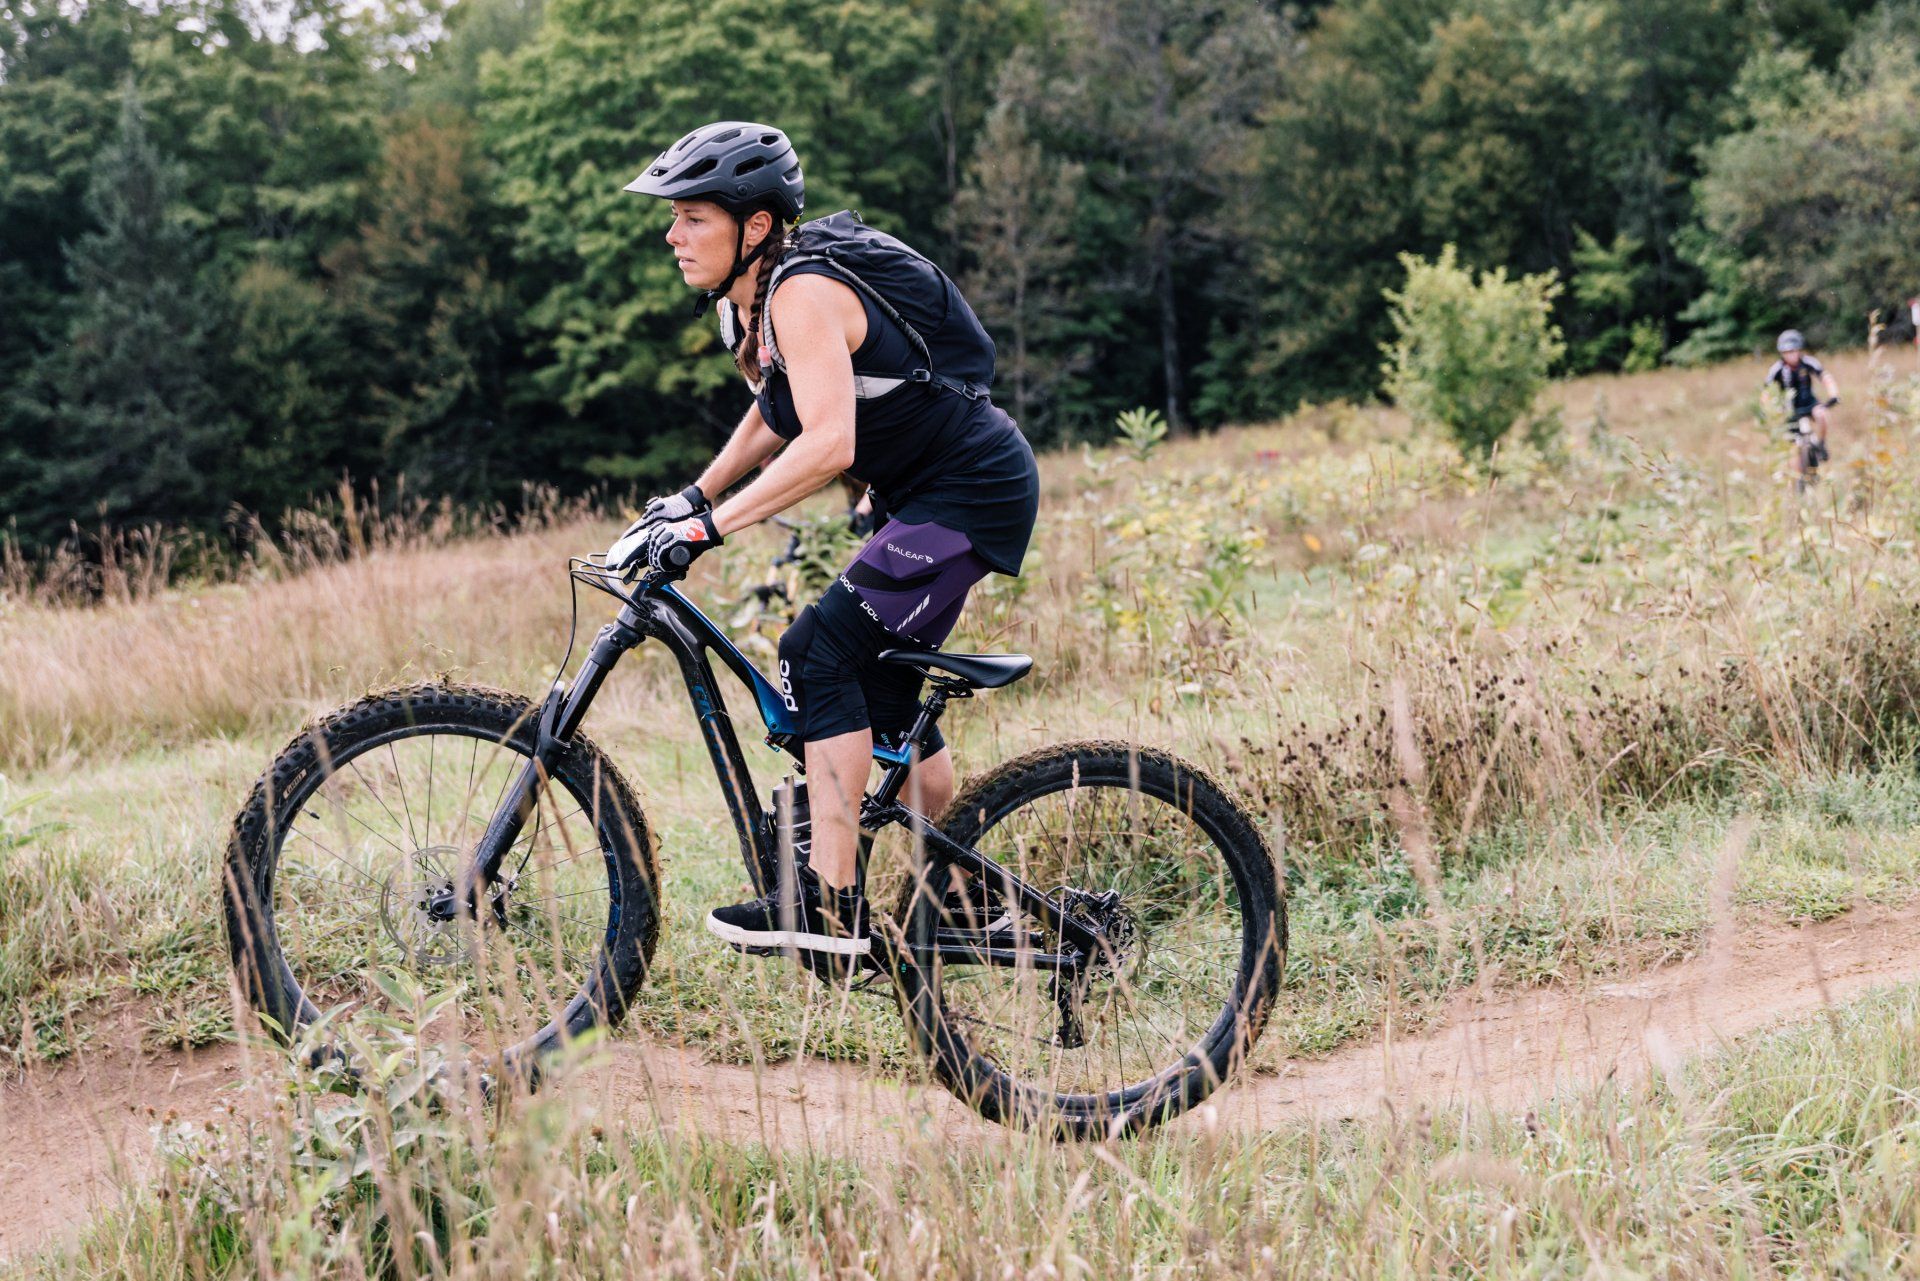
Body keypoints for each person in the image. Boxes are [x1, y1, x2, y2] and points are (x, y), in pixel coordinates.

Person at [609, 121, 1040, 959]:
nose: (672, 234)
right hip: (924, 499)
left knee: (817, 652)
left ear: (755, 226)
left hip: (966, 493)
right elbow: (776, 414)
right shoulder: (755, 309)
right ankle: (967, 897)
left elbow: (829, 443)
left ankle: (826, 905)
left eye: (693, 216)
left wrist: (708, 527)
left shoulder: (802, 293)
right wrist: (693, 494)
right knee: (878, 699)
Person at [1765, 329, 1840, 470]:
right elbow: (1766, 392)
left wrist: (1833, 394)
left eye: (1793, 351)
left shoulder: (1808, 362)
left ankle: (1821, 444)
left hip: (1809, 403)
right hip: (1789, 410)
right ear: (1782, 353)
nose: (1791, 355)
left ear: (1799, 350)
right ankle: (1798, 482)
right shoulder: (1777, 369)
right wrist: (1770, 409)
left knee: (1821, 414)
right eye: (1786, 352)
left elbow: (1825, 377)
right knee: (1794, 448)